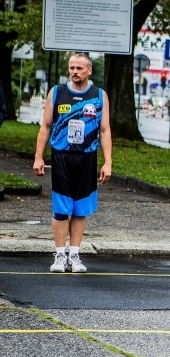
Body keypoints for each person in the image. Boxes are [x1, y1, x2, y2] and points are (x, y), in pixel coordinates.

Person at [33, 53, 112, 273]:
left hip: (87, 157)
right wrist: (38, 157)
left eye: (79, 68)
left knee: (80, 209)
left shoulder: (99, 95)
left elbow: (105, 130)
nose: (74, 72)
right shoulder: (57, 92)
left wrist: (108, 162)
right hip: (62, 156)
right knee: (61, 208)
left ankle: (74, 255)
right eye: (71, 68)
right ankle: (60, 255)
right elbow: (45, 126)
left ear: (89, 70)